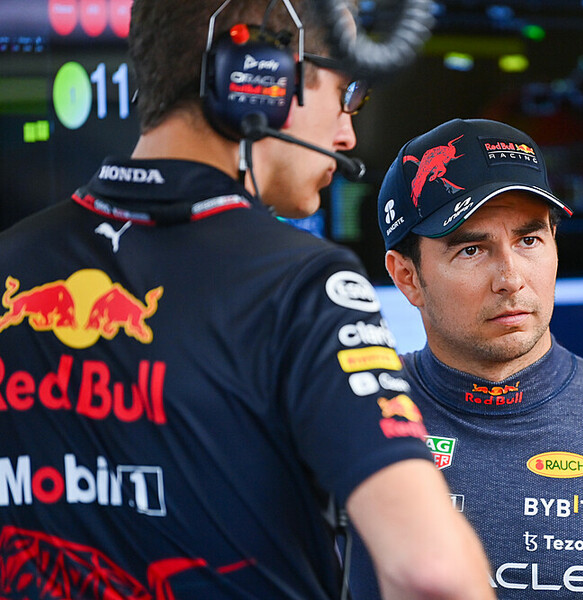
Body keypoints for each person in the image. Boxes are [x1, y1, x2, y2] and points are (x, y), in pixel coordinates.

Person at [0, 2, 495, 599]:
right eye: (345, 93)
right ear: (256, 75)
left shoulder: (11, 263)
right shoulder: (304, 283)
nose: (347, 134)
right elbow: (432, 572)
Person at [349, 118, 583, 600]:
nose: (510, 278)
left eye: (529, 241)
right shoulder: (351, 414)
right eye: (471, 249)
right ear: (407, 277)